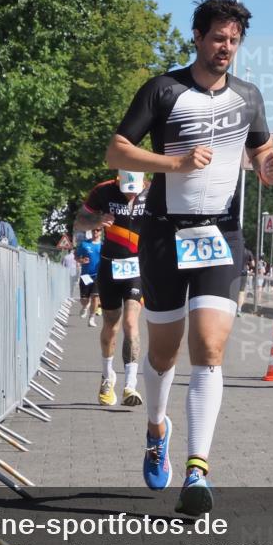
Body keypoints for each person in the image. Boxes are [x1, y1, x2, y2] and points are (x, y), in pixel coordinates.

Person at [105, 0, 273, 515]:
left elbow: (261, 154)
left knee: (209, 348)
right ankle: (156, 427)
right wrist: (173, 163)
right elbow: (116, 150)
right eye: (217, 38)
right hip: (164, 234)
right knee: (163, 354)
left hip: (222, 235)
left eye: (233, 40)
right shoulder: (164, 89)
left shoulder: (249, 97)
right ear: (198, 38)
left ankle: (197, 472)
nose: (225, 48)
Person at [77, 171, 150, 407]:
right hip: (109, 267)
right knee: (111, 325)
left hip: (137, 268)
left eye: (135, 190)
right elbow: (79, 221)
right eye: (127, 190)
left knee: (131, 322)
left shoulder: (153, 191)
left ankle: (131, 385)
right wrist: (97, 222)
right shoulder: (103, 190)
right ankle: (107, 377)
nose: (131, 195)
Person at [76, 228, 103, 326]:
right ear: (91, 232)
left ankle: (91, 318)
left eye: (98, 230)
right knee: (84, 300)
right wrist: (81, 260)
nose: (95, 232)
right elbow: (77, 256)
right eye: (94, 230)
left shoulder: (103, 245)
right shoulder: (84, 244)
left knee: (95, 297)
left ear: (101, 232)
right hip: (86, 275)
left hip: (98, 275)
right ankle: (85, 306)